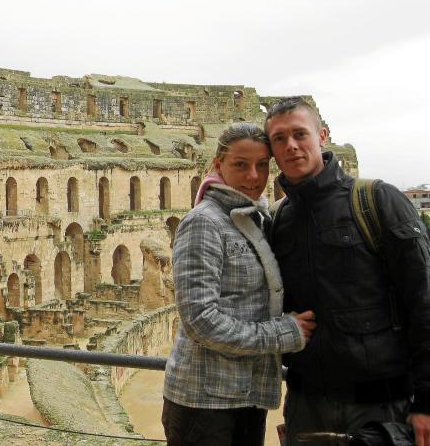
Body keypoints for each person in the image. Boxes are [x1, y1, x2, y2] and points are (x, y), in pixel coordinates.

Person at [264, 97, 430, 446]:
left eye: (299, 134)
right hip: (306, 403)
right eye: (279, 138)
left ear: (322, 135)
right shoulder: (279, 219)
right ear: (273, 150)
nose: (291, 145)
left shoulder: (377, 200)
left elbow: (424, 300)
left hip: (381, 407)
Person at [162, 122, 316, 446]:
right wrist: (283, 333)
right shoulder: (204, 222)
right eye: (241, 165)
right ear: (218, 164)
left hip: (245, 395)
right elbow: (200, 320)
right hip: (204, 402)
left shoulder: (252, 218)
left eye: (262, 165)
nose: (254, 176)